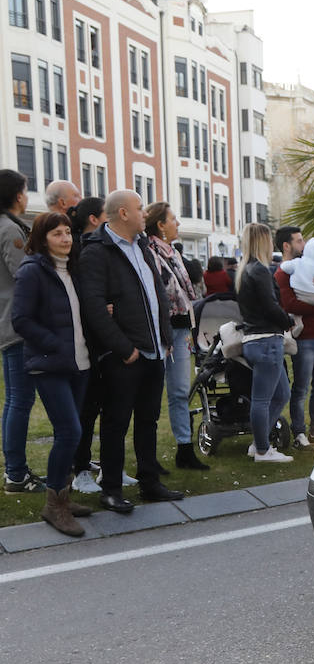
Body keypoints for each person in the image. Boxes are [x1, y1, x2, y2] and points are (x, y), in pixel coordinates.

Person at [78, 190, 184, 511]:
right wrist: (123, 349)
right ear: (123, 213)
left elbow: (158, 296)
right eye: (139, 209)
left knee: (148, 421)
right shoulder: (97, 252)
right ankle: (110, 489)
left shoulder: (142, 246)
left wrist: (164, 339)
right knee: (116, 423)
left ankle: (150, 482)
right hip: (125, 356)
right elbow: (94, 307)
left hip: (153, 351)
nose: (144, 214)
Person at [11, 212, 94, 534]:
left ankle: (64, 493)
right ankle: (53, 506)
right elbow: (21, 320)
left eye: (69, 233)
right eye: (57, 233)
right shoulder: (33, 271)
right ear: (42, 237)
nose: (66, 238)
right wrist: (55, 344)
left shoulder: (73, 269)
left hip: (80, 363)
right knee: (69, 432)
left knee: (73, 433)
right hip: (51, 364)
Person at [145, 202, 208, 471]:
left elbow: (185, 291)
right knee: (150, 394)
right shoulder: (149, 251)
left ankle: (184, 447)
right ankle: (149, 456)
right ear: (160, 224)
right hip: (161, 328)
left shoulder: (172, 253)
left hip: (182, 328)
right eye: (173, 219)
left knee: (181, 391)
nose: (178, 224)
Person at [0, 170, 44, 494]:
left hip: (10, 324)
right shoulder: (9, 230)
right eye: (26, 191)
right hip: (18, 326)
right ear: (18, 196)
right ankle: (16, 473)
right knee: (20, 400)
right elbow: (25, 275)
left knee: (15, 399)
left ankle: (14, 470)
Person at [237, 223, 293, 463]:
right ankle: (262, 450)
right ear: (263, 242)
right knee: (263, 399)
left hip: (258, 339)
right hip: (266, 340)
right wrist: (287, 320)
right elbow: (270, 306)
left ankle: (259, 443)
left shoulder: (246, 269)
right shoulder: (259, 270)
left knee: (281, 393)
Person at [275, 225, 314, 448]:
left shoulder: (313, 267)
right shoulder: (283, 272)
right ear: (286, 246)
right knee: (301, 387)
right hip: (304, 337)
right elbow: (290, 304)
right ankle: (299, 431)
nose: (304, 244)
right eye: (299, 241)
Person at [69, 196, 110, 493]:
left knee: (104, 405)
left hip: (103, 338)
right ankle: (80, 468)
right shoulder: (84, 249)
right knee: (87, 407)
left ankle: (100, 465)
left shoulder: (98, 247)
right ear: (94, 219)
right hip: (89, 341)